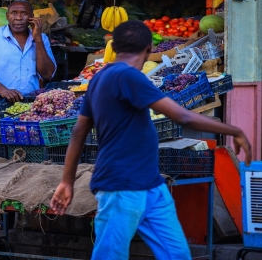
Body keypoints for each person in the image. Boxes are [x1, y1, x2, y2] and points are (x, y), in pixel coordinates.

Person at [50, 21, 252, 260]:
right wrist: (234, 130)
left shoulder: (100, 78)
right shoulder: (128, 77)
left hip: (150, 185)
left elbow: (78, 132)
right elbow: (181, 115)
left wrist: (67, 181)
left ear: (114, 46)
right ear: (148, 48)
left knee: (176, 255)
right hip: (120, 187)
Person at [0, 0, 57, 112]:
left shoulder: (41, 39)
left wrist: (37, 38)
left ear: (32, 17)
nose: (18, 17)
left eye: (24, 13)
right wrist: (3, 90)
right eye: (14, 13)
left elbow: (47, 74)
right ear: (7, 16)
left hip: (29, 103)